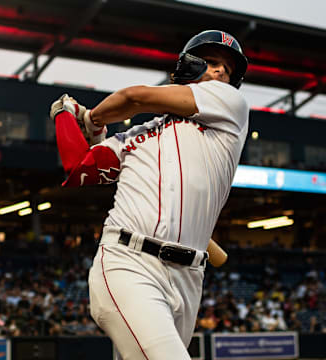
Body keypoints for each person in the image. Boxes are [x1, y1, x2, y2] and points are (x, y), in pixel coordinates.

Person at [50, 29, 249, 360]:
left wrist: (90, 118)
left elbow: (132, 98)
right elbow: (79, 168)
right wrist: (62, 116)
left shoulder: (230, 105)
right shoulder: (134, 137)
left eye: (227, 70)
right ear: (187, 65)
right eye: (212, 62)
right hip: (129, 261)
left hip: (189, 275)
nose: (219, 73)